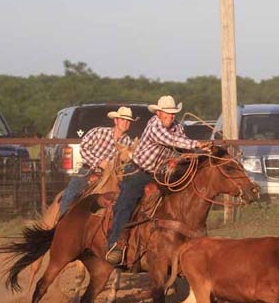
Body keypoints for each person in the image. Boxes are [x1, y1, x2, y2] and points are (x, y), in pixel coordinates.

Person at [105, 95, 212, 265]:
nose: (171, 116)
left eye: (173, 113)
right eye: (167, 113)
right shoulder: (154, 125)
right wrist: (197, 144)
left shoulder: (177, 127)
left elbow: (180, 146)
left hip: (162, 174)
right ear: (159, 113)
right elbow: (171, 140)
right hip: (139, 171)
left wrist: (197, 153)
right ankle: (116, 244)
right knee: (126, 202)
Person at [58, 106, 135, 217]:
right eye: (123, 120)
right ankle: (61, 222)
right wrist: (98, 162)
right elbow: (83, 147)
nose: (125, 123)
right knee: (70, 194)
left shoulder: (127, 141)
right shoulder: (99, 132)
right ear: (116, 120)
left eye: (128, 121)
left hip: (110, 176)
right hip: (88, 170)